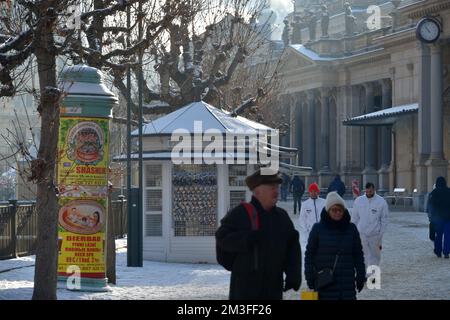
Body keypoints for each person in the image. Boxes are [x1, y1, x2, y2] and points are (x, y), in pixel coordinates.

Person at [215, 168, 302, 300]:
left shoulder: (281, 217)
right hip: (244, 291)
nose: (276, 191)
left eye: (277, 186)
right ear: (257, 190)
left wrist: (293, 274)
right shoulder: (240, 213)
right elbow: (222, 239)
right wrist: (246, 239)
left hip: (273, 289)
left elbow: (292, 247)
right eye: (272, 186)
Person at [304, 192, 366, 300]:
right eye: (334, 210)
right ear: (328, 211)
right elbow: (309, 254)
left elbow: (358, 254)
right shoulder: (317, 229)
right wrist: (309, 276)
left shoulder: (351, 229)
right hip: (325, 283)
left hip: (346, 285)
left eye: (340, 210)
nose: (337, 213)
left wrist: (361, 274)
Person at [351, 182, 389, 273]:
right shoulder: (359, 201)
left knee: (375, 255)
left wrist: (381, 233)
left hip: (375, 234)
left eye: (370, 191)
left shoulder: (381, 201)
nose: (368, 193)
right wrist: (352, 230)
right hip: (362, 233)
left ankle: (372, 273)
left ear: (374, 190)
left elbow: (384, 218)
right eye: (367, 191)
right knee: (362, 254)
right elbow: (354, 217)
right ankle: (362, 273)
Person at [297, 183, 325, 275]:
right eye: (312, 191)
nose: (313, 193)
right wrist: (306, 230)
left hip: (322, 232)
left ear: (318, 192)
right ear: (309, 192)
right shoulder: (305, 204)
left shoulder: (324, 202)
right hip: (310, 233)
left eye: (315, 191)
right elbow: (302, 219)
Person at [427, 177, 450, 258]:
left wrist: (430, 217)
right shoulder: (449, 191)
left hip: (438, 217)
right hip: (448, 218)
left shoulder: (434, 193)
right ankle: (446, 252)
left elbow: (430, 206)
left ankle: (438, 251)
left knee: (438, 235)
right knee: (448, 235)